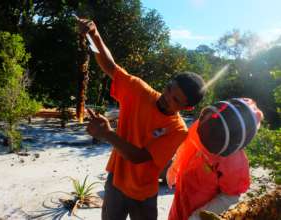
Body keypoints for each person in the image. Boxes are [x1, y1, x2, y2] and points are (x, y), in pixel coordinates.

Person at [77, 18, 206, 220]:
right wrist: (94, 35)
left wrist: (107, 134)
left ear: (186, 107)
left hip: (144, 194)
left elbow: (139, 157)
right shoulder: (139, 92)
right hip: (116, 182)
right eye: (169, 89)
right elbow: (110, 66)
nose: (166, 98)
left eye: (175, 100)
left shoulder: (178, 130)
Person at [166, 98, 263, 220]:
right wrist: (174, 168)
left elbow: (231, 196)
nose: (208, 138)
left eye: (218, 137)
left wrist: (200, 215)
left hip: (201, 207)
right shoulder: (207, 123)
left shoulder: (236, 163)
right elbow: (187, 145)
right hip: (181, 195)